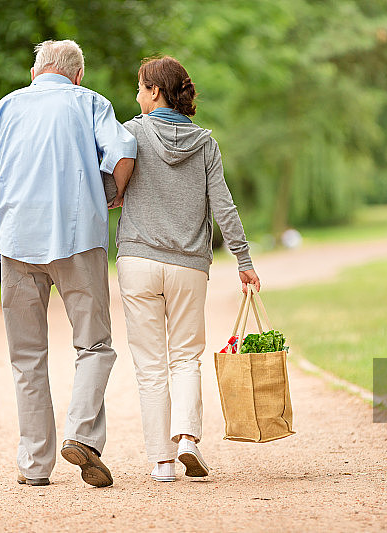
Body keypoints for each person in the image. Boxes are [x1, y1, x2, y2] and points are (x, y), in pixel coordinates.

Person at [0, 40, 136, 488]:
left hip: (17, 244)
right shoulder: (91, 103)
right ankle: (81, 434)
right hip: (79, 240)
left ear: (36, 71)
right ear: (77, 75)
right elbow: (124, 153)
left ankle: (35, 466)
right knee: (94, 345)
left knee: (26, 357)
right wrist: (111, 195)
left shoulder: (3, 108)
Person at [113, 56, 261, 482]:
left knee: (150, 364)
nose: (137, 96)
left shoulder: (132, 133)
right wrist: (244, 261)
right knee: (185, 359)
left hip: (138, 261)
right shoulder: (206, 144)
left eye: (141, 88)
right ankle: (188, 440)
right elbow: (224, 207)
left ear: (156, 92)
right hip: (188, 268)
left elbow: (110, 187)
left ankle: (161, 462)